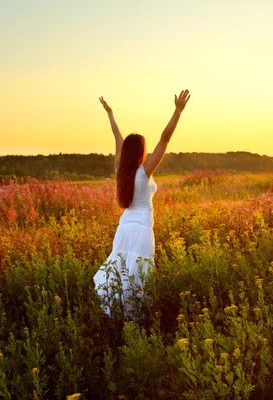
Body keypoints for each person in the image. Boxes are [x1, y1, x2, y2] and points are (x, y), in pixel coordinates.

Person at [93, 90, 191, 314]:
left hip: (124, 228)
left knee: (120, 272)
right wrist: (177, 111)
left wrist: (110, 114)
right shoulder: (143, 172)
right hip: (140, 230)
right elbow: (164, 140)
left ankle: (116, 313)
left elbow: (118, 139)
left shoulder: (121, 171)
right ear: (140, 151)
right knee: (138, 276)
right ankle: (135, 319)